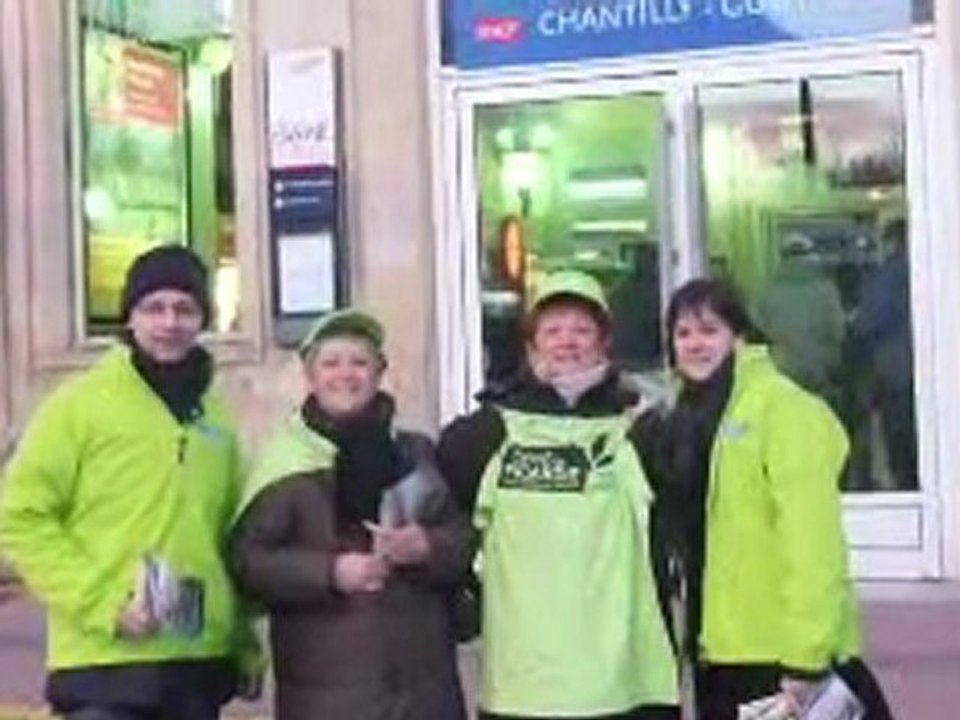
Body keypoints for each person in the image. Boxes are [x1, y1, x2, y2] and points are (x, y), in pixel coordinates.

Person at [0, 246, 259, 720]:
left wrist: (242, 644)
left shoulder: (216, 417)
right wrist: (105, 605)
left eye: (184, 309)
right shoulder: (79, 406)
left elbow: (227, 538)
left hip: (195, 663)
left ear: (202, 319)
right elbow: (19, 516)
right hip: (104, 664)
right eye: (154, 308)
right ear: (130, 318)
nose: (169, 323)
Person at [438, 270, 679, 720]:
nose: (567, 342)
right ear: (531, 346)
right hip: (523, 683)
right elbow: (447, 500)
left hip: (624, 680)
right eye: (552, 331)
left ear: (604, 343)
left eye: (581, 330)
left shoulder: (640, 429)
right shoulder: (488, 432)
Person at [653, 278, 892, 720]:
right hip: (720, 652)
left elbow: (812, 543)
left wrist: (806, 657)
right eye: (682, 333)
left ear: (739, 336)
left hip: (780, 656)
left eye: (709, 330)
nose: (695, 344)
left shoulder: (781, 409)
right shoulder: (688, 418)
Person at [229, 309, 471, 720]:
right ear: (310, 377)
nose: (346, 374)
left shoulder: (416, 453)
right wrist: (330, 572)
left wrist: (427, 546)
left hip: (424, 692)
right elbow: (248, 564)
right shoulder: (282, 464)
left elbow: (463, 539)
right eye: (331, 363)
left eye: (359, 362)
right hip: (328, 694)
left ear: (380, 373)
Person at [853, 219, 917, 490]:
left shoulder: (886, 276)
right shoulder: (936, 266)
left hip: (895, 369)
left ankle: (907, 486)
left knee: (899, 437)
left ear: (892, 242)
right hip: (932, 370)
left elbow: (867, 323)